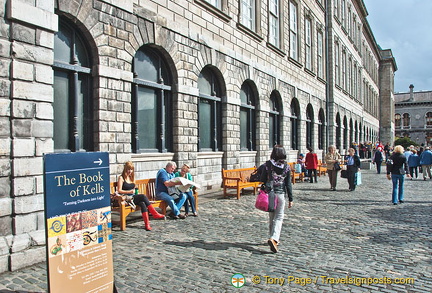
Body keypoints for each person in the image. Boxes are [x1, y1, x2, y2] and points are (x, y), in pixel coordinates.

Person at [259, 145, 293, 253]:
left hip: (270, 194)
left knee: (271, 217)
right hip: (281, 193)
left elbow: (262, 179)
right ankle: (274, 238)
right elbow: (288, 184)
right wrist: (291, 198)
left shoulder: (268, 165)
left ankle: (271, 237)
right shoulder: (286, 166)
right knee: (279, 217)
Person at [117, 161, 165, 231]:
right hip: (126, 198)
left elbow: (135, 189)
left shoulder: (131, 177)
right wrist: (129, 191)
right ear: (125, 169)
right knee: (142, 196)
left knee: (142, 203)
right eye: (128, 169)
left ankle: (147, 224)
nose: (130, 171)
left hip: (133, 197)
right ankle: (154, 213)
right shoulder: (121, 178)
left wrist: (136, 192)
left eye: (131, 169)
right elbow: (119, 190)